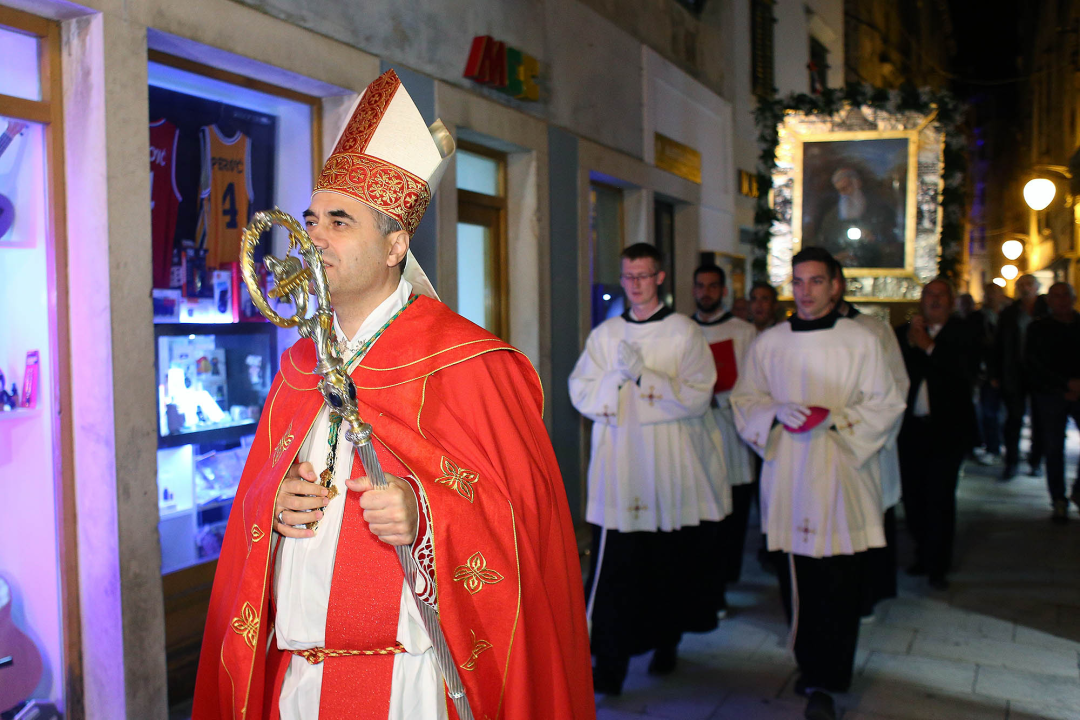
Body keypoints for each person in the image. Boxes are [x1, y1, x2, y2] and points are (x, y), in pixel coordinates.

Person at [193, 70, 595, 720]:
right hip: (298, 681)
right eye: (310, 219)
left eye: (340, 222)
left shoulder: (471, 363)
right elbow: (253, 515)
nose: (312, 237)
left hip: (414, 684)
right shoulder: (298, 365)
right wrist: (273, 501)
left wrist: (427, 514)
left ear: (395, 245)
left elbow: (526, 525)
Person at [732, 246, 905, 720]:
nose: (805, 291)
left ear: (836, 286)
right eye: (799, 281)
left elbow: (886, 404)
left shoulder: (862, 340)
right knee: (799, 577)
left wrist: (835, 418)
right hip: (790, 472)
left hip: (843, 472)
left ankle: (834, 671)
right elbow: (745, 398)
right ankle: (811, 671)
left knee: (841, 580)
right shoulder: (770, 343)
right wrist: (772, 411)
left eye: (816, 281)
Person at [570, 242, 728, 696]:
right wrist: (615, 378)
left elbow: (700, 395)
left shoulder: (684, 332)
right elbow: (580, 390)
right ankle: (611, 664)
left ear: (660, 278)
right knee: (615, 571)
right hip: (621, 465)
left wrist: (646, 377)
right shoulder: (606, 335)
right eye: (628, 277)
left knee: (666, 565)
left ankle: (666, 643)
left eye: (643, 276)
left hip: (667, 464)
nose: (635, 285)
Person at [832, 270, 909, 617]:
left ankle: (869, 593)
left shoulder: (874, 330)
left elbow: (897, 386)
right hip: (821, 447)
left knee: (867, 518)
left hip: (865, 442)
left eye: (824, 281)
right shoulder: (797, 334)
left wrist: (867, 433)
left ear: (839, 285)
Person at [895, 279, 977, 591]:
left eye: (941, 295)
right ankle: (922, 552)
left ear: (952, 301)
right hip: (913, 429)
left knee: (940, 498)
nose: (935, 300)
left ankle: (938, 564)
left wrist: (928, 346)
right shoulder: (907, 334)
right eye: (929, 295)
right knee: (914, 497)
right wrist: (914, 340)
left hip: (948, 431)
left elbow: (962, 374)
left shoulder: (964, 332)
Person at [691, 264, 759, 606]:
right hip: (696, 430)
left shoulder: (744, 332)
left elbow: (756, 385)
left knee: (732, 513)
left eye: (712, 287)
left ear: (723, 291)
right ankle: (704, 586)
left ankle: (726, 580)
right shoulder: (682, 330)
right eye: (700, 286)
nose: (706, 292)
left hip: (732, 428)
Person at [1026, 281, 1080, 523]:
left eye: (1065, 296)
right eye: (1056, 296)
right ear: (1049, 301)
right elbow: (1035, 364)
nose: (1061, 301)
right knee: (1053, 447)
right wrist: (1064, 385)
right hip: (1051, 394)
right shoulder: (1038, 329)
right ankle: (1058, 498)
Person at [992, 274, 1047, 480]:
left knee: (1040, 420)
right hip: (1014, 373)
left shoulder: (1045, 311)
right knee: (1013, 419)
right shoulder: (1010, 313)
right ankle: (1011, 461)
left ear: (1036, 287)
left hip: (1041, 375)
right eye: (1021, 285)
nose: (1025, 288)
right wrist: (996, 373)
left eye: (1029, 284)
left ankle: (1036, 460)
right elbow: (999, 345)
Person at [814, 167, 903, 268]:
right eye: (840, 190)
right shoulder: (831, 217)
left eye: (847, 187)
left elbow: (894, 244)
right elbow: (824, 246)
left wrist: (875, 238)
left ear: (858, 183)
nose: (845, 194)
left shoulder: (881, 209)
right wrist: (835, 257)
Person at [971, 283, 1007, 461]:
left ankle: (1001, 445)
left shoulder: (1008, 317)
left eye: (994, 293)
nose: (991, 297)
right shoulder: (978, 318)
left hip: (1007, 372)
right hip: (986, 373)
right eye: (988, 293)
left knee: (1003, 414)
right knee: (989, 412)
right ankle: (992, 446)